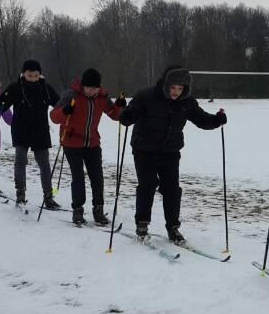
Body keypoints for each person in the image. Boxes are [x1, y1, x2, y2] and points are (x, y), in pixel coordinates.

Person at [118, 65, 225, 242]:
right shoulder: (146, 96)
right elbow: (127, 119)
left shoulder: (187, 102)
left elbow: (202, 120)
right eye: (173, 87)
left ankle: (173, 227)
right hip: (145, 149)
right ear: (166, 84)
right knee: (148, 185)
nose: (176, 92)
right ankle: (142, 224)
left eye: (180, 88)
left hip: (170, 151)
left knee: (172, 189)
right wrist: (126, 113)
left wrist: (217, 120)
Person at [50, 68, 124, 226]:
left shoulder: (102, 97)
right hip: (71, 143)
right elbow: (54, 116)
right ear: (83, 85)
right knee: (78, 178)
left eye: (95, 88)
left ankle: (98, 210)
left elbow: (115, 115)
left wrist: (120, 106)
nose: (92, 91)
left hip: (92, 143)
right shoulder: (72, 95)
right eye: (89, 88)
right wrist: (65, 111)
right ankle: (78, 210)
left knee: (97, 178)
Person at [0, 59, 60, 209]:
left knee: (44, 163)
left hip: (40, 129)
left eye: (36, 75)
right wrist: (1, 102)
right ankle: (20, 193)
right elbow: (0, 105)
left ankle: (48, 196)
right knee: (20, 160)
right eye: (29, 75)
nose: (32, 78)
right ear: (23, 73)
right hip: (21, 129)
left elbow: (58, 104)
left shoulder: (45, 87)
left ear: (40, 75)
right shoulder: (15, 87)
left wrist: (67, 109)